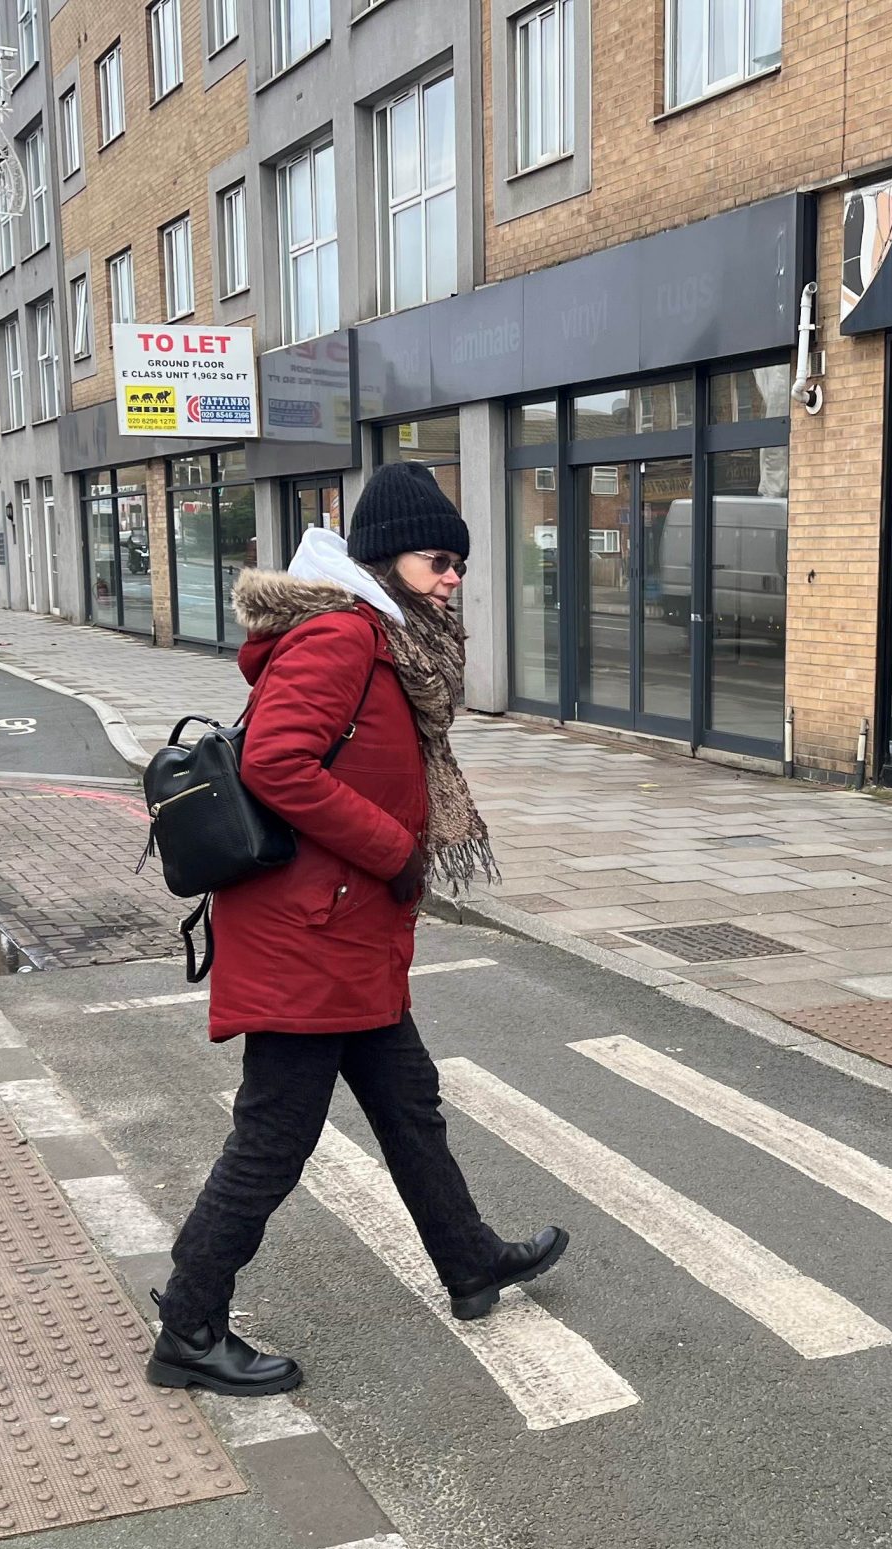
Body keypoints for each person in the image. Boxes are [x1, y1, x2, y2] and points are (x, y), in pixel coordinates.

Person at [146, 462, 569, 1396]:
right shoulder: (343, 638)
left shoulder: (385, 640)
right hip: (312, 932)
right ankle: (188, 1324)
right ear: (386, 559)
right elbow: (275, 765)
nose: (454, 576)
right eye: (437, 559)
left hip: (346, 930)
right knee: (274, 1139)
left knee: (409, 1106)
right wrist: (395, 849)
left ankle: (470, 1264)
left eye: (459, 561)